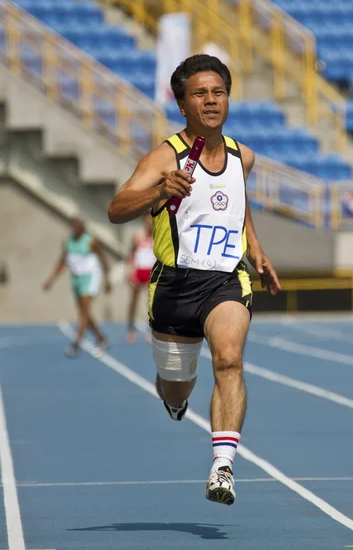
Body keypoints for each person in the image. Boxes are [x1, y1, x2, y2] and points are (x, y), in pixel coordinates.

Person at [107, 54, 280, 505]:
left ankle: (222, 467)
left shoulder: (244, 157)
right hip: (175, 287)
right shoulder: (166, 156)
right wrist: (160, 190)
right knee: (176, 382)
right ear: (182, 104)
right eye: (199, 94)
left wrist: (256, 251)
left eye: (218, 92)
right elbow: (117, 208)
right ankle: (175, 398)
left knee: (229, 359)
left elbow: (237, 207)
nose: (211, 100)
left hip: (225, 281)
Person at [43, 217, 112, 357]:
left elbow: (103, 259)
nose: (74, 228)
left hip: (91, 277)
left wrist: (107, 279)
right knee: (84, 312)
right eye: (73, 225)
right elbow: (62, 262)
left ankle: (76, 343)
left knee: (84, 312)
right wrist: (51, 280)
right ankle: (101, 338)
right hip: (77, 280)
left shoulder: (91, 241)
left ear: (82, 227)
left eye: (77, 226)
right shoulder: (68, 242)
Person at [126, 212, 155, 343]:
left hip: (150, 271)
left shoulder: (157, 235)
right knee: (133, 302)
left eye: (151, 220)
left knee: (151, 304)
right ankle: (131, 329)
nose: (149, 222)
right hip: (138, 270)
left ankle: (151, 330)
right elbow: (131, 253)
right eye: (147, 220)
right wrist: (130, 270)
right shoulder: (137, 236)